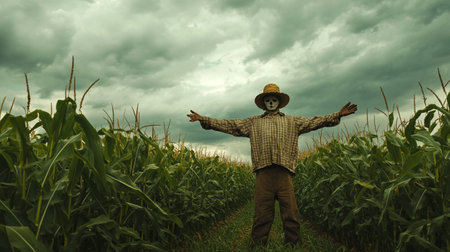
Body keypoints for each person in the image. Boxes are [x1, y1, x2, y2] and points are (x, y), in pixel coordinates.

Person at [187, 83, 357, 246]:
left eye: (273, 100)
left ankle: (293, 244)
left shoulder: (293, 122)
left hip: (285, 172)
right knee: (262, 214)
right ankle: (258, 244)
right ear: (263, 104)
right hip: (264, 173)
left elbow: (315, 121)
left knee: (290, 212)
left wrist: (337, 115)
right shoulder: (253, 122)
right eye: (267, 100)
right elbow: (229, 125)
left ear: (279, 103)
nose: (270, 103)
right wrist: (205, 120)